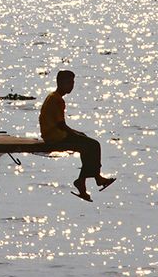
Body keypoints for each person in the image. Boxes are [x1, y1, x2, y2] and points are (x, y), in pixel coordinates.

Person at [39, 70, 115, 201]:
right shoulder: (57, 100)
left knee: (85, 142)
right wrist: (73, 133)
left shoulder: (53, 96)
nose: (72, 85)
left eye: (73, 82)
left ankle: (85, 181)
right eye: (69, 82)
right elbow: (61, 125)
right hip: (55, 136)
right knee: (93, 145)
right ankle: (93, 179)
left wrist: (77, 133)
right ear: (60, 83)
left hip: (51, 134)